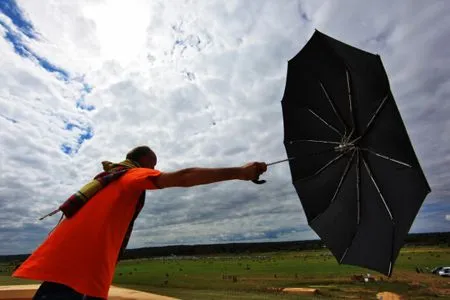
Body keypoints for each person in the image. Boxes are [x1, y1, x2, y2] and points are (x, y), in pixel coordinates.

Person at [12, 145, 267, 300]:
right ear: (145, 163)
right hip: (80, 270)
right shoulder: (132, 174)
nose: (155, 170)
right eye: (154, 165)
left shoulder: (106, 180)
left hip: (69, 266)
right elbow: (184, 176)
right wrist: (239, 172)